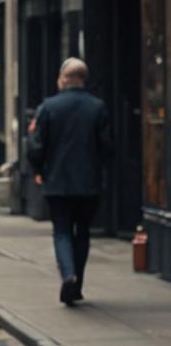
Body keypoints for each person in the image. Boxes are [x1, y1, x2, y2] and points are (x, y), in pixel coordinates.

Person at [27, 57, 113, 305]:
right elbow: (107, 147)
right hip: (88, 183)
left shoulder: (49, 107)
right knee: (83, 231)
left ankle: (68, 275)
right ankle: (78, 283)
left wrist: (38, 169)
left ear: (63, 79)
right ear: (82, 80)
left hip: (57, 182)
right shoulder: (97, 107)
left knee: (62, 231)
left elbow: (36, 146)